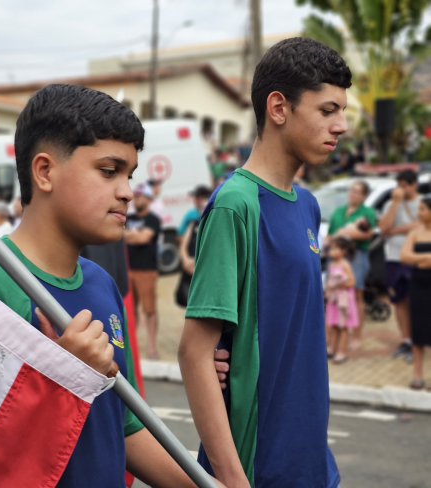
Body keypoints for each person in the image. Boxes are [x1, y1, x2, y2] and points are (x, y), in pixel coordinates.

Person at [0, 84, 223, 488]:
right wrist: (57, 379)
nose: (127, 192)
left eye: (130, 175)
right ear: (44, 172)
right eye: (109, 171)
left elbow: (125, 425)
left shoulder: (102, 284)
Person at [179, 37, 350, 487]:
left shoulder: (308, 204)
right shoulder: (235, 205)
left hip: (312, 465)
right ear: (278, 108)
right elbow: (195, 353)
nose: (342, 125)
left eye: (342, 111)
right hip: (257, 469)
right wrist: (232, 479)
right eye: (328, 110)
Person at [327, 180, 376, 346]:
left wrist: (344, 233)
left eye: (356, 191)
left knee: (356, 294)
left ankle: (356, 335)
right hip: (335, 256)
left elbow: (368, 233)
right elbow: (330, 234)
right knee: (333, 293)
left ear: (364, 195)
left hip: (357, 256)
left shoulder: (367, 212)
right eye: (351, 190)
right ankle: (333, 336)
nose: (352, 194)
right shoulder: (338, 211)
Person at [379, 170, 421, 362]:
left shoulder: (423, 202)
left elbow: (421, 226)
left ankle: (418, 341)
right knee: (399, 300)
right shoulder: (390, 204)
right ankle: (406, 340)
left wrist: (394, 230)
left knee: (417, 301)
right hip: (394, 258)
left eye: (404, 186)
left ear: (414, 185)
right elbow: (383, 228)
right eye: (398, 185)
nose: (400, 189)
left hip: (416, 259)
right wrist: (395, 202)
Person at [125, 183, 162, 360]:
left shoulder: (153, 219)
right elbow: (120, 236)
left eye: (140, 196)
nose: (136, 199)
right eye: (136, 196)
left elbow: (143, 239)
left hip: (146, 270)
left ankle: (151, 348)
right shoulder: (128, 217)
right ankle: (132, 347)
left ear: (148, 198)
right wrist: (135, 236)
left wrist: (129, 236)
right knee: (130, 311)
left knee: (149, 310)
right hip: (128, 269)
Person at [400, 195, 431, 390]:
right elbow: (404, 255)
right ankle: (417, 374)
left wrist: (417, 258)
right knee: (418, 330)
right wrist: (426, 259)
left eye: (422, 209)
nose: (418, 213)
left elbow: (411, 256)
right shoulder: (415, 232)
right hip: (418, 285)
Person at [325, 236, 358, 364]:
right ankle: (331, 349)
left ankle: (341, 352)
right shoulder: (331, 264)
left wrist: (337, 286)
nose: (331, 251)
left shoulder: (345, 265)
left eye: (335, 249)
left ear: (344, 251)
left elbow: (352, 281)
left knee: (343, 327)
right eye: (331, 249)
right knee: (333, 325)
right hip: (333, 300)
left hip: (343, 301)